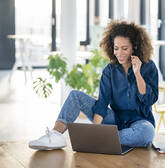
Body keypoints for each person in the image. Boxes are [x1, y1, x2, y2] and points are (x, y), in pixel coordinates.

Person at [29, 20, 158, 150]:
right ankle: (55, 135)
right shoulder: (109, 70)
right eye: (116, 48)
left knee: (146, 134)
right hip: (114, 119)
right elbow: (102, 103)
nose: (119, 53)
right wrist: (96, 130)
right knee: (75, 96)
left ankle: (103, 138)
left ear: (134, 47)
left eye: (124, 48)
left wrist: (137, 74)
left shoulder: (148, 67)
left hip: (140, 122)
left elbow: (149, 100)